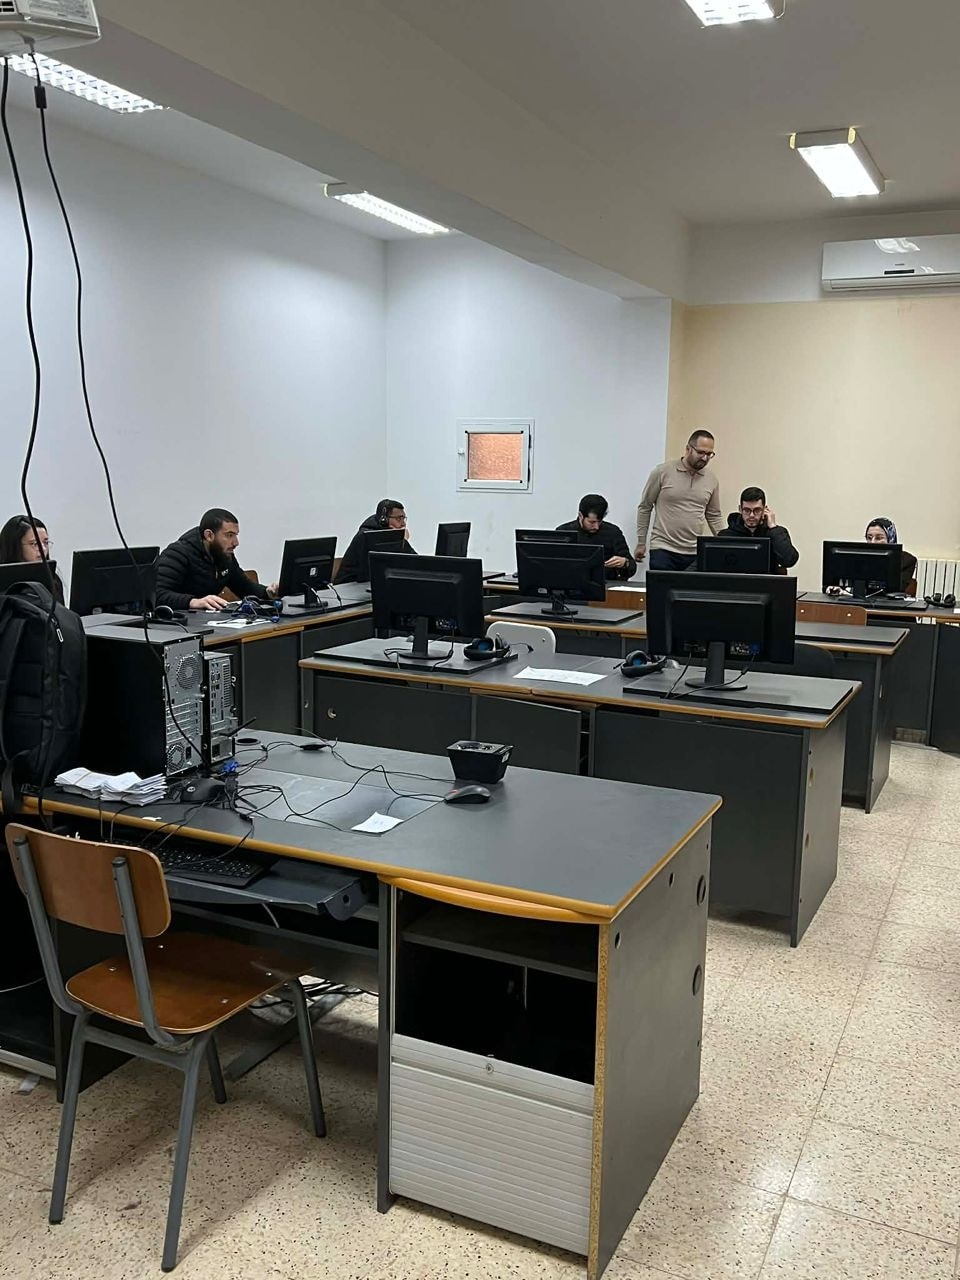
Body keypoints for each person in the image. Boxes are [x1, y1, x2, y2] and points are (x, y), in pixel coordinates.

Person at [156, 508, 278, 611]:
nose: (236, 543)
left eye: (236, 535)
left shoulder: (223, 554)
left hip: (205, 621)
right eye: (229, 535)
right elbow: (157, 594)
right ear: (209, 535)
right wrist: (193, 602)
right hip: (175, 624)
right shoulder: (178, 553)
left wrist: (267, 592)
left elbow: (244, 587)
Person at [635, 431, 723, 571]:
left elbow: (714, 515)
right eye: (700, 452)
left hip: (694, 552)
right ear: (688, 449)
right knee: (662, 586)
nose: (705, 458)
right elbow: (645, 507)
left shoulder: (711, 479)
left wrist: (725, 543)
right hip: (663, 548)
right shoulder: (662, 472)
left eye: (709, 454)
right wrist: (641, 542)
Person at [335, 499, 416, 584]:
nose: (403, 524)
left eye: (404, 519)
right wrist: (401, 541)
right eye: (399, 519)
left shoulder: (392, 536)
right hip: (350, 585)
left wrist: (402, 542)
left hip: (372, 583)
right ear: (384, 520)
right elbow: (378, 565)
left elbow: (415, 562)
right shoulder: (365, 536)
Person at [556, 494, 636, 580]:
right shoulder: (564, 532)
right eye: (592, 522)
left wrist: (625, 563)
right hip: (572, 582)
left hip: (606, 583)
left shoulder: (613, 532)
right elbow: (554, 565)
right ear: (580, 516)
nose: (596, 527)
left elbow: (632, 566)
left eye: (599, 521)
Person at [724, 487, 799, 574]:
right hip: (736, 581)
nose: (751, 515)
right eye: (747, 510)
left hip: (768, 581)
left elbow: (789, 561)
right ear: (740, 509)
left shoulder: (776, 533)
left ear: (764, 509)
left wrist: (773, 528)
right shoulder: (727, 535)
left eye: (757, 510)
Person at [0, 514, 64, 602]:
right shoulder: (4, 582)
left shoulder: (53, 579)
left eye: (45, 542)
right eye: (35, 544)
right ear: (16, 546)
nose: (43, 549)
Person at [866, 517, 918, 593]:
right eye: (869, 538)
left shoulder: (906, 560)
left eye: (879, 538)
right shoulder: (862, 558)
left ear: (891, 538)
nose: (872, 542)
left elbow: (897, 589)